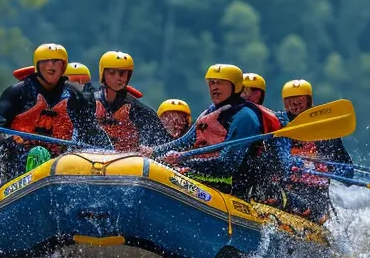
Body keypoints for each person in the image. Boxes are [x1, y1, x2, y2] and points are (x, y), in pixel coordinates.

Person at [151, 63, 285, 205]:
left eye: (220, 83)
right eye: (212, 83)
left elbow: (228, 164)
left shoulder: (245, 117)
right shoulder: (209, 113)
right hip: (205, 177)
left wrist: (184, 160)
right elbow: (184, 142)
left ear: (235, 86)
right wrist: (152, 152)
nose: (214, 87)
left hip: (232, 188)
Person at [0, 43, 100, 179]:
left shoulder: (73, 96)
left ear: (63, 66)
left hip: (57, 158)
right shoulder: (17, 92)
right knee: (38, 154)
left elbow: (90, 129)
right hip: (17, 156)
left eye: (56, 62)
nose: (50, 66)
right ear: (38, 66)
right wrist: (8, 138)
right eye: (45, 62)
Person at [276, 79, 353, 223]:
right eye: (289, 100)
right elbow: (277, 157)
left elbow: (348, 172)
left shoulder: (325, 131)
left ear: (309, 101)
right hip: (286, 189)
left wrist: (329, 168)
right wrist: (293, 162)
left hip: (315, 193)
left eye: (300, 100)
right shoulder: (278, 124)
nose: (295, 105)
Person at [83, 51, 170, 151]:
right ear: (103, 75)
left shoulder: (138, 110)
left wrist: (150, 150)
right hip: (92, 158)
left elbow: (161, 140)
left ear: (128, 77)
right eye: (111, 73)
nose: (117, 78)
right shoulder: (89, 101)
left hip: (126, 161)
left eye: (122, 74)